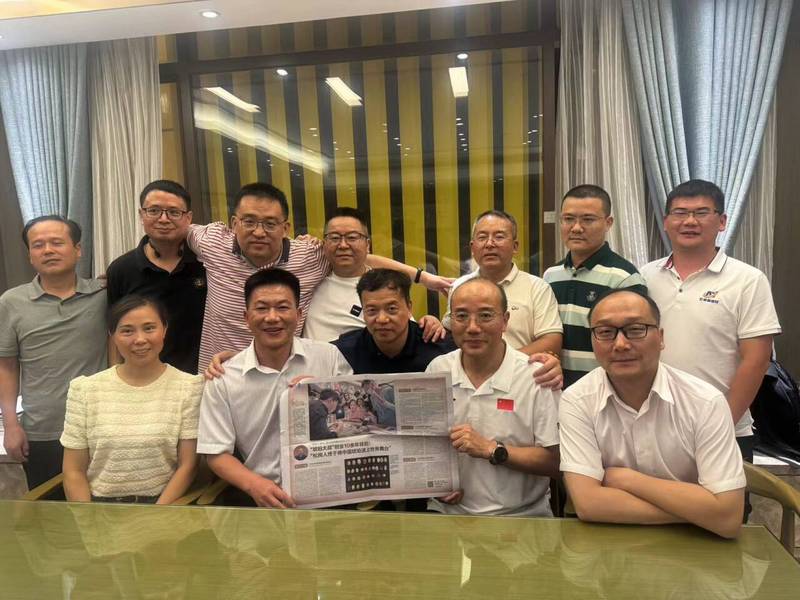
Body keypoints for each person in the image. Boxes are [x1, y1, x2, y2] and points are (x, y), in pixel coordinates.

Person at [187, 182, 451, 373]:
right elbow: (176, 226)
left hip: (289, 375)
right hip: (220, 370)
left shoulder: (309, 256)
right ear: (234, 223)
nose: (259, 232)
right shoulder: (211, 242)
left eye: (269, 223)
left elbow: (360, 257)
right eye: (249, 222)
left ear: (285, 228)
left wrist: (424, 278)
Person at [559, 289, 746, 539]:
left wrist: (627, 480)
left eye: (636, 329)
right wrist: (700, 512)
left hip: (693, 546)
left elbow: (728, 516)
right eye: (605, 332)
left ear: (661, 337)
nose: (621, 344)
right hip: (609, 547)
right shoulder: (577, 400)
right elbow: (589, 504)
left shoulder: (705, 402)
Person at [639, 180, 781, 468]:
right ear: (666, 221)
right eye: (680, 213)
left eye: (702, 213)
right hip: (653, 426)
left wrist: (720, 424)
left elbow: (756, 360)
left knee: (723, 499)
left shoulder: (747, 280)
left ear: (722, 221)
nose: (689, 221)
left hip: (725, 427)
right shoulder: (645, 276)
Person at [197, 268, 352, 508]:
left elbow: (356, 422)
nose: (272, 317)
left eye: (282, 307)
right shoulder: (224, 378)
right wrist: (254, 485)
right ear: (246, 317)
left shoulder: (328, 357)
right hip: (262, 496)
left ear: (298, 314)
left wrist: (320, 390)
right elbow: (216, 453)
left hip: (331, 492)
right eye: (261, 308)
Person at [426, 277, 560, 517]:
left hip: (521, 517)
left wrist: (493, 449)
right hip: (447, 514)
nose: (473, 327)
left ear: (505, 321)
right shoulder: (437, 369)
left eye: (486, 316)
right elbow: (422, 446)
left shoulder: (537, 376)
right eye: (461, 316)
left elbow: (557, 462)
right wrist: (435, 485)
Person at [60, 296, 204, 503]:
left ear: (164, 329)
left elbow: (188, 466)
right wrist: (86, 517)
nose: (140, 339)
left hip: (163, 506)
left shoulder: (189, 387)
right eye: (127, 331)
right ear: (112, 335)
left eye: (149, 328)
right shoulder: (84, 390)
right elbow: (74, 471)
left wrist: (156, 515)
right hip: (99, 507)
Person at [0, 216, 107, 489]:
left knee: (103, 508)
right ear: (30, 255)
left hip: (100, 427)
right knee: (49, 510)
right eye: (38, 245)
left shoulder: (103, 295)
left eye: (57, 243)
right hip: (41, 431)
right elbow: (7, 367)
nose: (48, 250)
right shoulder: (11, 302)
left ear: (77, 249)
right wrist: (11, 425)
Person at [544, 185, 646, 388]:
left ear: (608, 223)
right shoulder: (550, 275)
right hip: (554, 388)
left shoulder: (624, 278)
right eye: (568, 219)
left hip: (603, 390)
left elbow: (632, 344)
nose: (576, 228)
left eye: (588, 219)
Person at [106, 180, 207, 374]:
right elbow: (114, 331)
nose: (163, 219)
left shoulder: (206, 263)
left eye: (174, 212)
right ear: (141, 215)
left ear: (188, 218)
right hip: (144, 379)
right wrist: (116, 378)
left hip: (201, 376)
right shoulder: (121, 269)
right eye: (154, 211)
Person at [303, 206, 445, 343]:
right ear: (324, 244)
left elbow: (406, 332)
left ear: (367, 245)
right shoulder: (309, 276)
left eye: (352, 237)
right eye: (334, 238)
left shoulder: (384, 286)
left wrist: (429, 325)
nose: (343, 245)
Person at [444, 210, 563, 357]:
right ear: (472, 248)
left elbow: (551, 342)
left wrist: (503, 364)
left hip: (522, 370)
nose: (489, 244)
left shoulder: (537, 287)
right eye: (482, 237)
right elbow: (450, 333)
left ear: (515, 246)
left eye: (499, 237)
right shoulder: (460, 286)